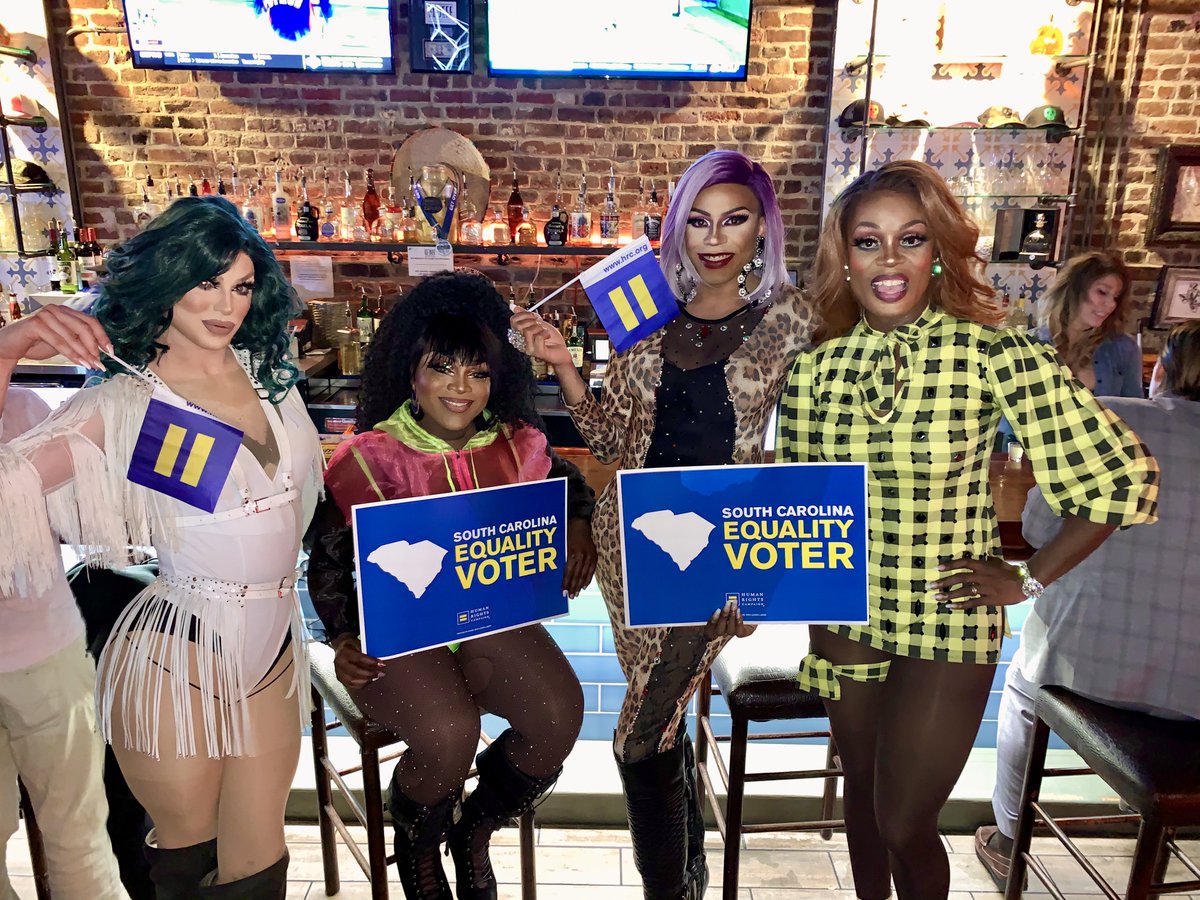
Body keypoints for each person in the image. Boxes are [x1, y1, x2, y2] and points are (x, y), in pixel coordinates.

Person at [777, 160, 1159, 900]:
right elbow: (798, 504)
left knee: (902, 821)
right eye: (868, 241)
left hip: (948, 611)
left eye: (910, 239)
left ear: (938, 252)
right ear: (844, 259)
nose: (889, 259)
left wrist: (1026, 574)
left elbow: (1120, 476)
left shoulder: (993, 353)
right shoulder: (814, 370)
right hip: (844, 608)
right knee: (861, 796)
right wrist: (749, 582)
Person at [511, 148, 816, 899]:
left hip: (717, 553)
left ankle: (669, 891)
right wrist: (561, 363)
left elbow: (808, 457)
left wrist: (766, 576)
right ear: (677, 229)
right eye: (699, 220)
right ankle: (691, 877)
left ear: (762, 230)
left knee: (639, 735)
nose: (715, 238)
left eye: (735, 219)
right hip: (630, 542)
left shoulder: (791, 319)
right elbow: (613, 440)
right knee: (666, 722)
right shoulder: (645, 314)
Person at [0, 195, 323, 897]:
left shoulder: (270, 373)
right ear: (166, 277)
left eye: (240, 285)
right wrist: (8, 349)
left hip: (273, 645)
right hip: (181, 653)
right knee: (184, 863)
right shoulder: (123, 401)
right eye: (205, 281)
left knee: (259, 871)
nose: (225, 304)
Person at [305, 271, 594, 900]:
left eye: (478, 371)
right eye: (443, 368)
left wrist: (580, 523)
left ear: (497, 379)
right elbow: (326, 561)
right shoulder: (368, 459)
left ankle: (473, 828)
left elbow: (569, 483)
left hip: (489, 621)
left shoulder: (518, 447)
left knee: (558, 715)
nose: (461, 388)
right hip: (400, 635)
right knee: (450, 733)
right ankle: (415, 837)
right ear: (412, 372)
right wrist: (343, 636)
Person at [974, 319, 1200, 891]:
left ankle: (1008, 840)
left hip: (1084, 674)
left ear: (1163, 371)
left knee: (1024, 686)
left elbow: (1038, 525)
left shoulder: (1115, 418)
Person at [0, 387, 129, 900]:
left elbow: (68, 524)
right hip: (46, 652)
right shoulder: (26, 408)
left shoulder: (27, 407)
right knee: (80, 844)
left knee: (80, 842)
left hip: (49, 653)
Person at [1036, 250, 1142, 396]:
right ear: (1074, 289)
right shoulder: (1027, 344)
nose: (1111, 304)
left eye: (1116, 297)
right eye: (1102, 292)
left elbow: (1133, 410)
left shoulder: (1123, 349)